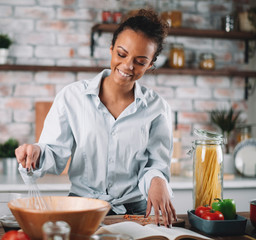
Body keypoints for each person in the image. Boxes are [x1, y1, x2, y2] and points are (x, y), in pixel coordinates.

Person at [15, 9, 177, 227]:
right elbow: (54, 153)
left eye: (140, 61)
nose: (128, 66)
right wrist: (36, 152)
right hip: (81, 208)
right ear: (111, 49)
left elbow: (155, 164)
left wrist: (158, 179)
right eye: (121, 54)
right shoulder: (71, 97)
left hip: (136, 212)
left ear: (150, 65)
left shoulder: (157, 108)